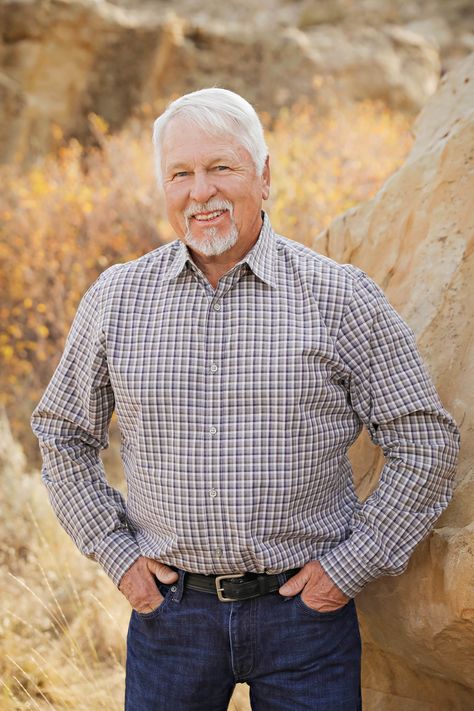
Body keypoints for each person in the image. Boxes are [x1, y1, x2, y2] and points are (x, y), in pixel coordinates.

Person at [31, 88, 460, 711]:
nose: (200, 191)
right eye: (181, 173)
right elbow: (62, 433)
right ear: (165, 187)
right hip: (170, 619)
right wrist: (121, 559)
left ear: (264, 176)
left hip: (306, 622)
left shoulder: (339, 298)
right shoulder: (116, 300)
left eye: (221, 168)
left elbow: (426, 442)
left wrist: (346, 572)